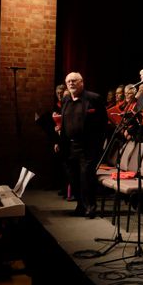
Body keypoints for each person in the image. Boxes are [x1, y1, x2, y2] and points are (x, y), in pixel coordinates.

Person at [54, 72, 107, 218]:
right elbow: (64, 124)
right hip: (70, 146)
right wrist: (60, 142)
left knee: (86, 177)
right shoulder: (65, 99)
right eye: (69, 81)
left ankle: (90, 206)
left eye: (74, 81)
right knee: (73, 177)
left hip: (88, 147)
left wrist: (98, 144)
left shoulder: (94, 98)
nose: (71, 83)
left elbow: (103, 123)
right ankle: (80, 205)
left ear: (81, 82)